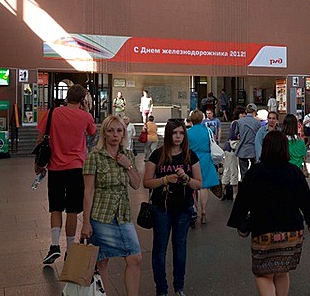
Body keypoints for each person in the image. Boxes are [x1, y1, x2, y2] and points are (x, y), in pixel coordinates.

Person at [228, 131, 310, 296]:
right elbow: (305, 199)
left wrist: (239, 223)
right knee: (283, 271)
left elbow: (242, 201)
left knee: (263, 274)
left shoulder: (255, 172)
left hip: (264, 230)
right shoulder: (293, 171)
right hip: (292, 231)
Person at [35, 84, 97, 264]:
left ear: (67, 97)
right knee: (72, 209)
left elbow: (40, 139)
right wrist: (86, 111)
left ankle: (55, 245)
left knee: (55, 207)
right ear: (83, 100)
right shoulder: (85, 116)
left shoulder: (52, 113)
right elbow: (93, 134)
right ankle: (70, 249)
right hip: (77, 168)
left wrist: (38, 163)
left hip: (55, 168)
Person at [80, 115, 141, 295]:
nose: (115, 135)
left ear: (124, 134)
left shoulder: (127, 155)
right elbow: (88, 191)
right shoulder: (94, 157)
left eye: (119, 131)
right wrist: (85, 222)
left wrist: (128, 165)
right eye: (110, 130)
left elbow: (136, 184)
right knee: (102, 262)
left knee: (135, 258)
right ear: (104, 134)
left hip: (123, 215)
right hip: (101, 216)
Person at [143, 118, 203, 296]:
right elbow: (146, 183)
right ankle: (161, 289)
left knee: (180, 248)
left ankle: (179, 287)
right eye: (175, 133)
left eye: (181, 133)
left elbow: (198, 184)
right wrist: (164, 180)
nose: (178, 137)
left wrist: (186, 178)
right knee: (160, 248)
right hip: (161, 208)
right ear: (168, 134)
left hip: (183, 208)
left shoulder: (190, 156)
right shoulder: (158, 155)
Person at [187, 110, 218, 226]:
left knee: (192, 185)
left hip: (192, 159)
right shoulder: (208, 131)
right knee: (204, 186)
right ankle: (204, 210)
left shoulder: (188, 132)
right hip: (205, 158)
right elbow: (213, 143)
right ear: (202, 119)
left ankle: (194, 210)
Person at [222, 106, 246, 199]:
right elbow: (233, 136)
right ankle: (235, 194)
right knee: (234, 171)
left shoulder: (234, 123)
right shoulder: (237, 123)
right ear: (239, 114)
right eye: (243, 113)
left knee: (227, 170)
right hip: (233, 150)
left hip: (228, 149)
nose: (244, 115)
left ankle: (223, 191)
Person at [235, 103, 262, 179]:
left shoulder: (239, 121)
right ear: (255, 111)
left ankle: (245, 188)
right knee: (255, 171)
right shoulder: (257, 122)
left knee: (243, 173)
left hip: (243, 149)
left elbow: (236, 133)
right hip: (254, 149)